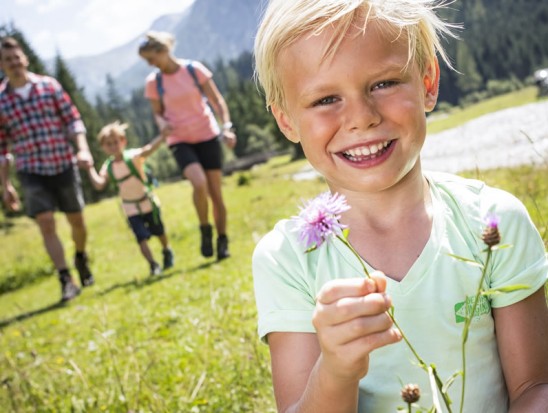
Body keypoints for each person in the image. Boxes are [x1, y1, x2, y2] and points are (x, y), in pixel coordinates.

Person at [252, 1, 548, 412]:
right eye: (325, 100)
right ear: (286, 121)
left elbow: (534, 387)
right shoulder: (286, 260)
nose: (361, 118)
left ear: (427, 82)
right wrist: (336, 369)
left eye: (383, 84)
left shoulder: (495, 223)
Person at [0, 37, 95, 302]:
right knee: (46, 222)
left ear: (25, 59)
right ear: (1, 64)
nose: (14, 64)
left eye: (17, 58)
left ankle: (80, 256)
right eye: (8, 60)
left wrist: (83, 149)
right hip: (31, 169)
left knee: (77, 221)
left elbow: (73, 120)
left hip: (62, 161)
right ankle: (65, 278)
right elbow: (1, 148)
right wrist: (5, 184)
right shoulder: (1, 101)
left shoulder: (48, 86)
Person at [138, 31, 236, 261]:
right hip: (179, 140)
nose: (150, 64)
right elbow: (157, 114)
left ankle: (222, 240)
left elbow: (217, 101)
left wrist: (227, 127)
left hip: (207, 134)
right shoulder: (154, 82)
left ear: (163, 51)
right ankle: (205, 228)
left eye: (151, 58)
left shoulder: (194, 70)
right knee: (198, 183)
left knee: (216, 193)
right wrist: (163, 125)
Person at [86, 121, 174, 276]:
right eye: (108, 144)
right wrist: (89, 168)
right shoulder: (108, 167)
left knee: (159, 231)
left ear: (123, 141)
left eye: (115, 142)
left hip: (147, 202)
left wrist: (162, 136)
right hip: (130, 207)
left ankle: (166, 250)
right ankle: (153, 264)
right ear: (103, 147)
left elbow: (149, 149)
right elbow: (99, 184)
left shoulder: (133, 156)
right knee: (141, 238)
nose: (113, 146)